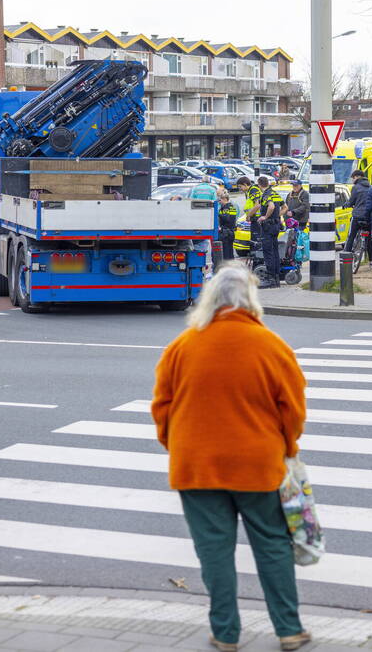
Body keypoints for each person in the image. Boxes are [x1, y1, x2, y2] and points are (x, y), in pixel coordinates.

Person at [151, 263, 310, 652]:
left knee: (214, 552)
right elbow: (293, 411)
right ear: (251, 299)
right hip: (258, 465)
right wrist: (286, 449)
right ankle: (289, 629)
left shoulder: (182, 346)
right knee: (273, 545)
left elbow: (161, 407)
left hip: (197, 467)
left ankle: (225, 634)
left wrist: (181, 448)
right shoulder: (272, 346)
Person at [255, 176, 283, 289]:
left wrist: (265, 217)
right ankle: (276, 279)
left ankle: (270, 279)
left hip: (268, 227)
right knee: (275, 251)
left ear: (259, 184)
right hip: (275, 225)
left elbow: (270, 206)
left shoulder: (266, 195)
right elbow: (285, 207)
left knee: (268, 252)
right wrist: (277, 216)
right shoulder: (275, 193)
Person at [344, 170, 372, 262]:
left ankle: (346, 259)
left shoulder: (356, 188)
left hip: (357, 216)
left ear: (357, 177)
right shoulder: (371, 187)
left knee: (351, 236)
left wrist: (346, 205)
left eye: (353, 178)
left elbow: (351, 201)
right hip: (368, 216)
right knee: (368, 238)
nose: (352, 180)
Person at [216, 188, 239, 263]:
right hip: (230, 232)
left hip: (226, 233)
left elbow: (227, 219)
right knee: (230, 253)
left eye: (220, 200)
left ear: (225, 199)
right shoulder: (232, 206)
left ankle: (227, 268)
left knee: (226, 254)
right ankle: (231, 267)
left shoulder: (226, 208)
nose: (219, 202)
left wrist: (218, 215)